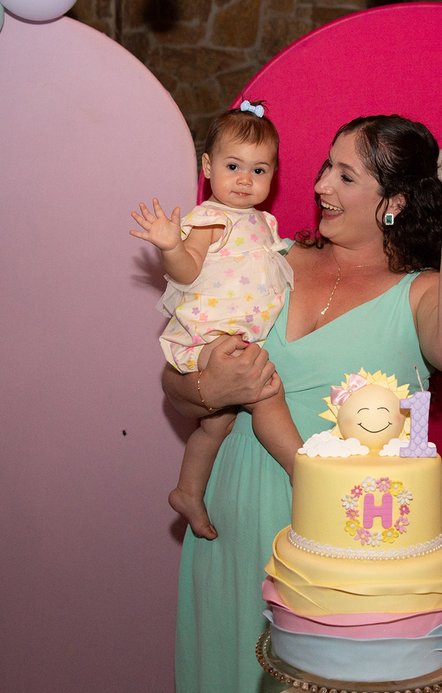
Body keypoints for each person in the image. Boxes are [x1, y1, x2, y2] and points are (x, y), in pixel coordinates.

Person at [162, 94, 442, 693]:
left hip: (340, 559)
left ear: (393, 202)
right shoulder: (267, 253)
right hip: (230, 524)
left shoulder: (418, 294)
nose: (319, 187)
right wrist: (212, 388)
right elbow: (176, 381)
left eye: (345, 176)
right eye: (325, 169)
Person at [131, 101, 296, 540]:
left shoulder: (264, 221)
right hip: (212, 334)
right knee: (263, 391)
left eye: (260, 170)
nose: (245, 179)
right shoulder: (209, 219)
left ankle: (188, 490)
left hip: (236, 335)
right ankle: (302, 469)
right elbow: (186, 272)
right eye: (233, 166)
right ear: (207, 167)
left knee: (216, 423)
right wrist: (171, 246)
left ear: (274, 174)